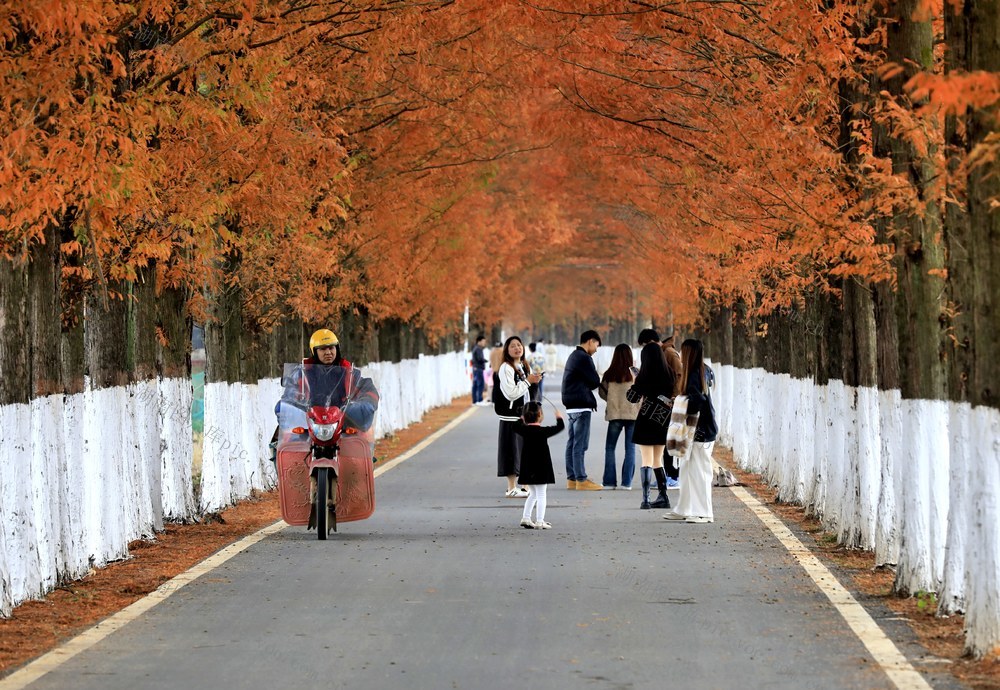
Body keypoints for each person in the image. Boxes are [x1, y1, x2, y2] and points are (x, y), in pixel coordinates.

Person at [664, 338, 718, 524]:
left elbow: (698, 401)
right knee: (686, 471)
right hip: (697, 430)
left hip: (701, 431)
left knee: (700, 472)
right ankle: (684, 508)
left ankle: (704, 513)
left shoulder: (695, 373)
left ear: (688, 353)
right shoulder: (700, 370)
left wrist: (681, 402)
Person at [632, 328, 676, 509]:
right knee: (658, 459)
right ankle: (663, 496)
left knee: (646, 460)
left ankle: (646, 499)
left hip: (646, 416)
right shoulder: (670, 374)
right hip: (662, 416)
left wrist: (634, 379)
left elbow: (632, 398)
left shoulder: (643, 376)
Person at [494, 336, 543, 498]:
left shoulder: (523, 366)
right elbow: (511, 393)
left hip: (525, 416)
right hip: (511, 417)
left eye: (519, 345)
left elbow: (528, 392)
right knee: (511, 451)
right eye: (513, 346)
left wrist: (534, 381)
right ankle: (511, 487)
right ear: (507, 350)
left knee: (525, 452)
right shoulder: (505, 368)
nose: (517, 348)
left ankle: (525, 486)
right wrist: (528, 382)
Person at [561, 329, 603, 491]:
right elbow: (594, 381)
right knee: (580, 444)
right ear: (591, 341)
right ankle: (581, 479)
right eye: (596, 345)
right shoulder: (584, 358)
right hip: (581, 404)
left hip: (571, 405)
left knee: (572, 443)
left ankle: (571, 478)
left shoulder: (573, 356)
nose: (596, 349)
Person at [513, 401, 564, 529]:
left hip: (528, 467)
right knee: (541, 494)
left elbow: (515, 426)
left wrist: (521, 418)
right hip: (541, 468)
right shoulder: (543, 431)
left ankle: (526, 517)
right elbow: (559, 427)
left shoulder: (524, 430)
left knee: (533, 494)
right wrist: (559, 417)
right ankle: (540, 521)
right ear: (540, 414)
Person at [599, 344, 640, 490]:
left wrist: (612, 401)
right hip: (633, 415)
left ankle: (609, 483)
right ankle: (626, 483)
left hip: (615, 414)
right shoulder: (636, 374)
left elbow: (602, 392)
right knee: (630, 449)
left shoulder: (609, 373)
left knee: (610, 448)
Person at [660, 333, 684, 489]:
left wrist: (675, 396)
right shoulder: (666, 352)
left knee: (672, 441)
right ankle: (669, 474)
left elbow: (679, 375)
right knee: (668, 440)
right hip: (669, 402)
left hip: (672, 403)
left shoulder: (669, 353)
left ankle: (673, 475)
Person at [471, 335, 487, 405]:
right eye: (483, 342)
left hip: (475, 368)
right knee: (480, 384)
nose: (484, 343)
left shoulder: (475, 348)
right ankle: (479, 400)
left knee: (475, 384)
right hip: (478, 368)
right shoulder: (478, 349)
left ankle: (475, 401)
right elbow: (479, 358)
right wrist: (485, 360)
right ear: (479, 341)